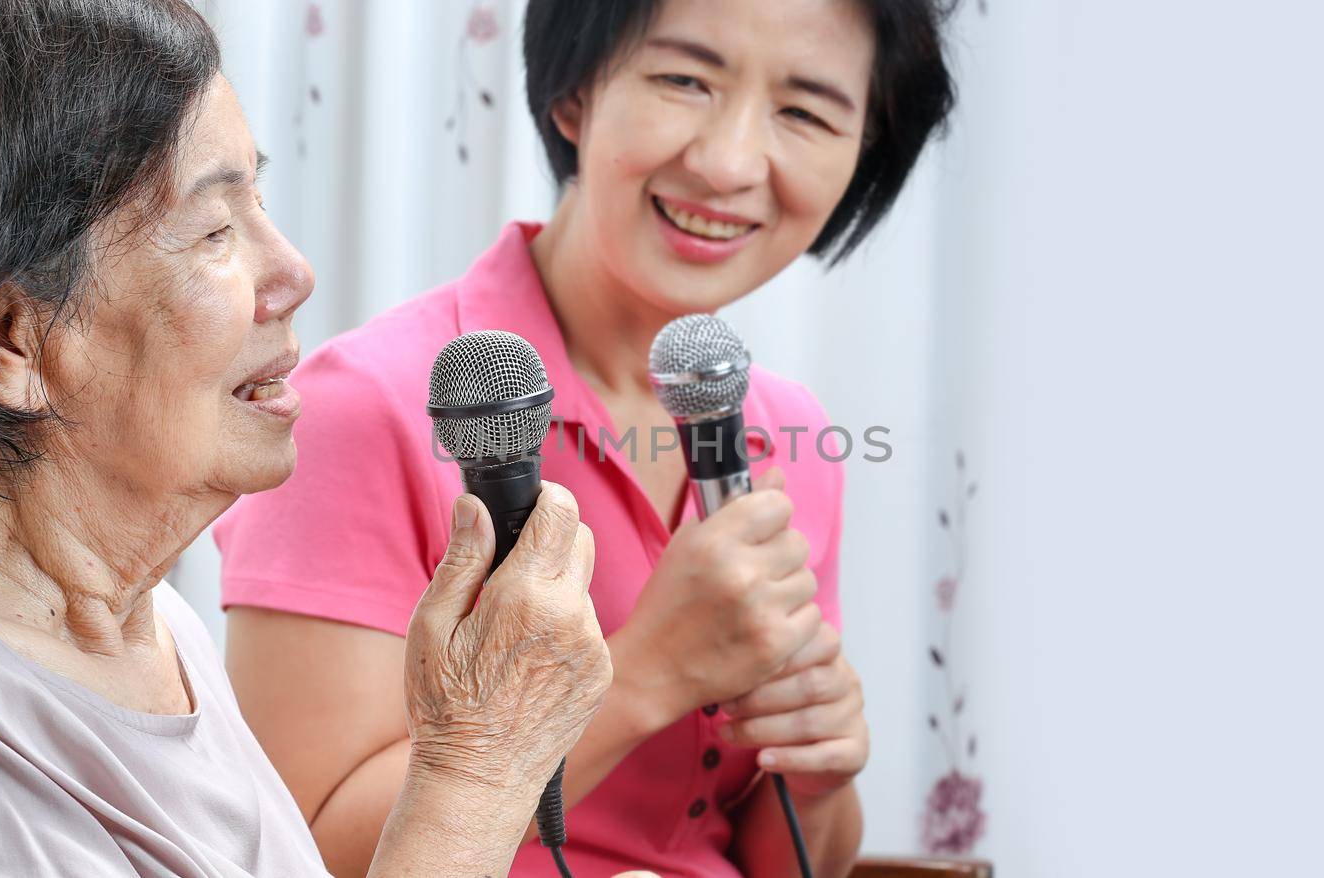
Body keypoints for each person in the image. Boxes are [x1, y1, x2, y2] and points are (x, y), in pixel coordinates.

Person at [0, 1, 624, 875]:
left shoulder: (156, 626)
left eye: (258, 203)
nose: (293, 274)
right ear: (7, 340)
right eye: (215, 231)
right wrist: (477, 770)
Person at [215, 0, 959, 874]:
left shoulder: (791, 430)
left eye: (804, 112)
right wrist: (649, 673)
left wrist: (821, 772)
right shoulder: (365, 405)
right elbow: (294, 852)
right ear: (574, 95)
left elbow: (784, 858)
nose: (727, 163)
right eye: (684, 79)